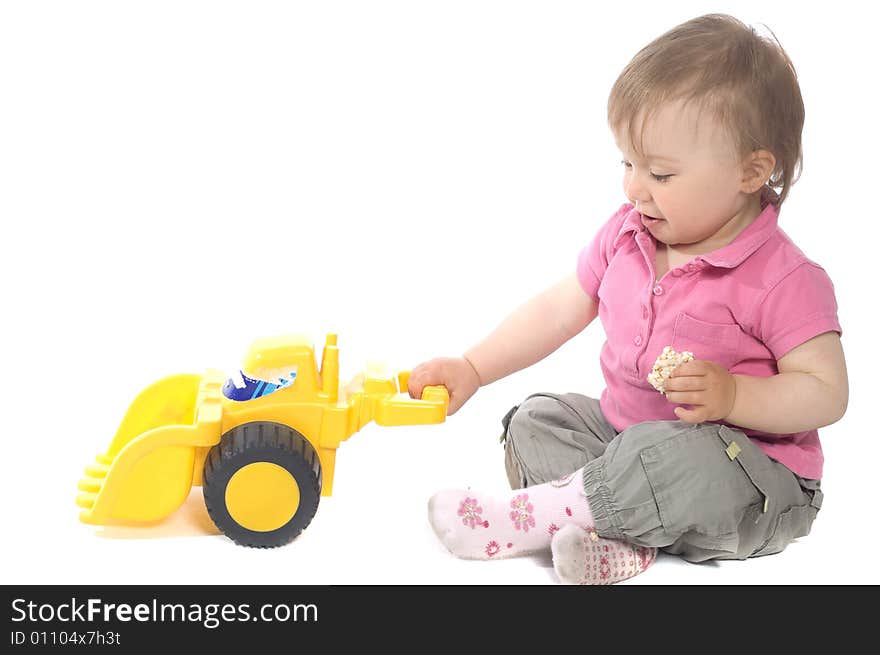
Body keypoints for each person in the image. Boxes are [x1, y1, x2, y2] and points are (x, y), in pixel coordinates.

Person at [407, 13, 848, 584]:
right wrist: (473, 366)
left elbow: (826, 393)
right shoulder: (627, 234)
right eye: (628, 163)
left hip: (749, 478)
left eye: (660, 174)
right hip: (625, 441)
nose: (633, 187)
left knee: (671, 458)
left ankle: (527, 521)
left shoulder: (784, 277)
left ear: (750, 171)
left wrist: (736, 395)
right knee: (536, 421)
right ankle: (617, 537)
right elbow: (558, 308)